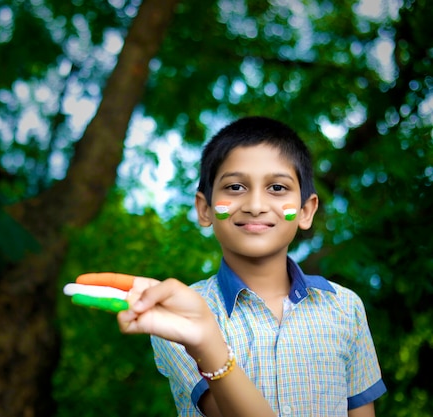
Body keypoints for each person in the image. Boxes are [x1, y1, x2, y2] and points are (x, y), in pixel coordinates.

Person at [118, 116, 386, 416]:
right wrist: (206, 340)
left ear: (306, 211)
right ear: (204, 209)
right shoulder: (179, 317)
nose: (255, 205)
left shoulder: (345, 307)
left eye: (276, 187)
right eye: (235, 187)